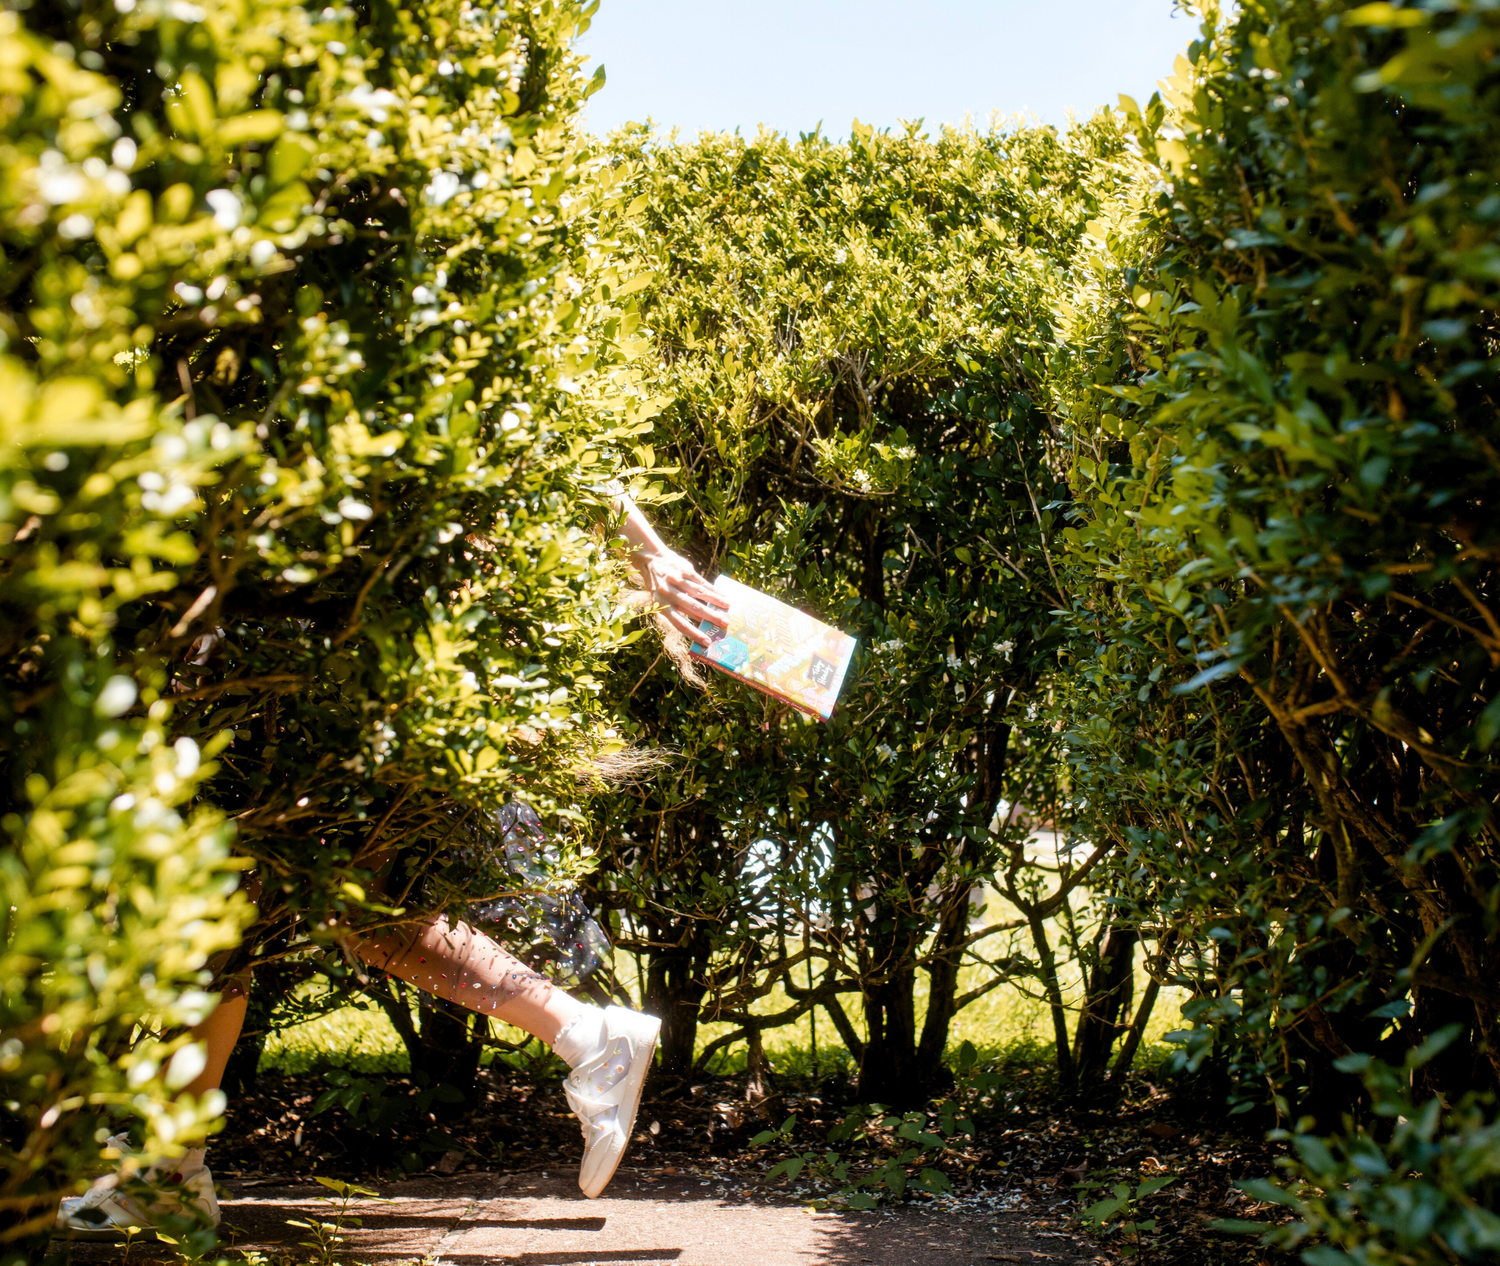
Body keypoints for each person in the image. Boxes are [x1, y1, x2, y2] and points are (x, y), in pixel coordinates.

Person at [57, 495, 725, 1241]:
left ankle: (170, 1170)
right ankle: (586, 1037)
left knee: (265, 892)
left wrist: (648, 550)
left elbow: (527, 422)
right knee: (321, 899)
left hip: (332, 626)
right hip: (321, 621)